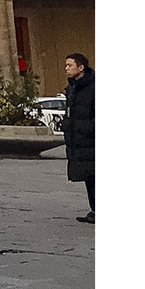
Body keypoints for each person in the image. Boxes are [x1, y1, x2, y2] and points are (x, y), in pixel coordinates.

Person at [61, 53, 95, 223]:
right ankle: (95, 210)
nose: (66, 68)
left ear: (81, 67)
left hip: (91, 139)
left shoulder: (94, 87)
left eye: (70, 65)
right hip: (79, 141)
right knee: (89, 176)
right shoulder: (72, 88)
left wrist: (83, 127)